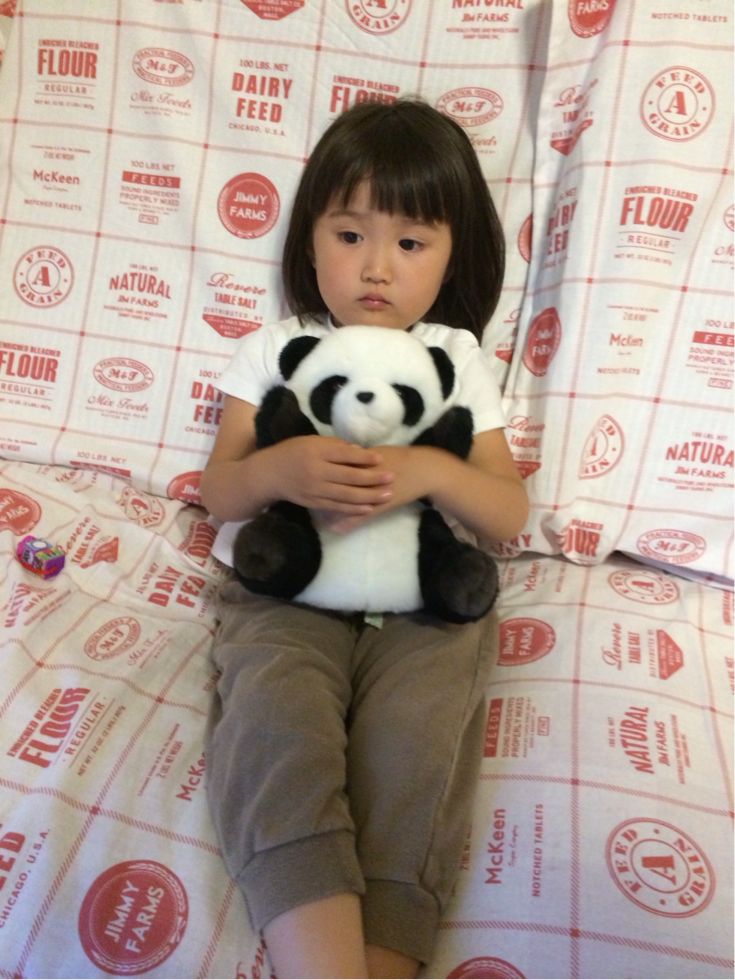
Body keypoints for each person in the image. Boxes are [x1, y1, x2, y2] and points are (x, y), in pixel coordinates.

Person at [201, 98, 529, 979]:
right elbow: (218, 491)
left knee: (416, 742)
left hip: (421, 599)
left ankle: (384, 943)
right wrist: (277, 470)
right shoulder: (276, 348)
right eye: (349, 235)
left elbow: (505, 515)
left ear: (454, 255)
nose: (376, 266)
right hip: (287, 594)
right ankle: (316, 948)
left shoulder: (454, 358)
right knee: (276, 721)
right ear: (309, 240)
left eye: (411, 242)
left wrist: (430, 472)